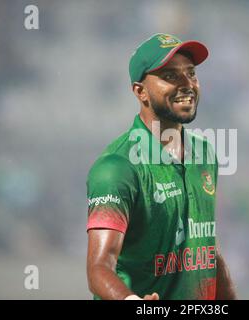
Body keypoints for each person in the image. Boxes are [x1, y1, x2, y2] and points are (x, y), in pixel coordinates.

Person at [86, 33, 237, 300]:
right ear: (140, 91)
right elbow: (99, 268)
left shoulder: (205, 152)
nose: (187, 84)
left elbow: (206, 250)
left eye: (190, 73)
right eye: (170, 76)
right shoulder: (117, 167)